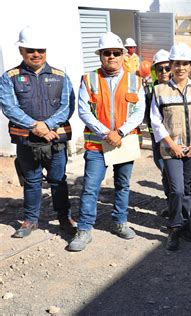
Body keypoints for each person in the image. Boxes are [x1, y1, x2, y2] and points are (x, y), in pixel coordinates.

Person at [68, 32, 145, 251]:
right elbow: (84, 110)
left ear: (123, 55)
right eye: (106, 53)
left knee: (122, 185)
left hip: (124, 143)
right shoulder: (89, 79)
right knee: (91, 187)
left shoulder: (135, 80)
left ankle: (120, 222)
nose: (111, 57)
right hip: (96, 144)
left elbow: (139, 111)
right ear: (100, 56)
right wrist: (105, 133)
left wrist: (119, 132)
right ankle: (84, 229)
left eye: (115, 53)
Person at [0, 26, 76, 238]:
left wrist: (48, 125)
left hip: (55, 140)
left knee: (58, 180)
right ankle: (30, 220)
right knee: (32, 181)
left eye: (40, 50)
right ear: (21, 51)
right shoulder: (10, 77)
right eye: (30, 50)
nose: (36, 54)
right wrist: (36, 127)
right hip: (27, 141)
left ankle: (64, 217)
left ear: (46, 51)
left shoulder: (60, 77)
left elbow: (67, 106)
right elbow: (9, 106)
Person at [150, 42, 191, 251]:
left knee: (189, 189)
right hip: (170, 149)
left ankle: (185, 225)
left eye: (185, 63)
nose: (180, 68)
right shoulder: (160, 90)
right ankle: (174, 228)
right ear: (171, 65)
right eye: (176, 64)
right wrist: (172, 145)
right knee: (177, 189)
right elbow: (156, 121)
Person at [144, 49, 171, 216]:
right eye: (159, 69)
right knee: (165, 171)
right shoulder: (149, 90)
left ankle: (186, 207)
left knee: (181, 174)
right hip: (157, 138)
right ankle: (171, 204)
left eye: (167, 68)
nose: (163, 72)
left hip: (177, 139)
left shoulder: (179, 88)